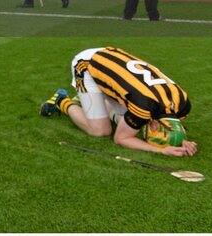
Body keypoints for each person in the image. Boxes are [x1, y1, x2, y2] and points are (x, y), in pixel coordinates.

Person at [40, 46, 196, 157]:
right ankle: (62, 101)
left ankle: (92, 100)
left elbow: (171, 124)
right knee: (100, 131)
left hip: (113, 62)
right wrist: (160, 150)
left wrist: (181, 140)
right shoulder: (144, 107)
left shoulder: (183, 105)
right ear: (155, 123)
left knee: (128, 120)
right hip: (88, 64)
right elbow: (120, 139)